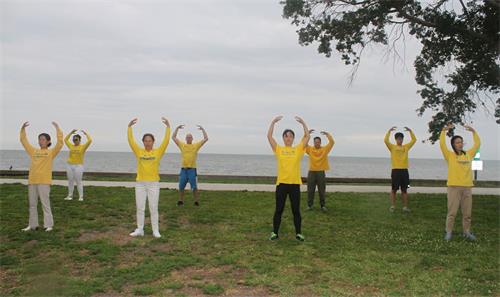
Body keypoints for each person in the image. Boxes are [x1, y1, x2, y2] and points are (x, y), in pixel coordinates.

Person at [267, 116, 310, 241]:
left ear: (293, 138)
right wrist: (273, 122)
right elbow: (269, 137)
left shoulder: (298, 149)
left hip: (294, 184)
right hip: (282, 184)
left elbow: (307, 137)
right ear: (283, 138)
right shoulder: (279, 149)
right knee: (279, 210)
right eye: (286, 136)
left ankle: (298, 233)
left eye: (291, 136)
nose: (288, 138)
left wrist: (303, 123)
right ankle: (274, 233)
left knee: (296, 210)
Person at [128, 117, 170, 238]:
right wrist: (129, 128)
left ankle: (155, 230)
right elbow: (131, 141)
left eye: (150, 140)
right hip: (140, 183)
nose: (147, 142)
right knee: (140, 207)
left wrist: (168, 127)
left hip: (153, 184)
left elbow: (166, 141)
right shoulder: (139, 151)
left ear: (153, 142)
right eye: (145, 140)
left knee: (153, 207)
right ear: (143, 142)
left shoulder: (158, 152)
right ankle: (140, 229)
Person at [20, 121, 63, 232]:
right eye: (40, 139)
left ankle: (48, 225)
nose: (41, 141)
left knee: (45, 204)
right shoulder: (33, 151)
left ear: (48, 141)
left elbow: (60, 143)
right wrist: (22, 129)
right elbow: (24, 141)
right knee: (32, 204)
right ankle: (32, 225)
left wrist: (57, 128)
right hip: (32, 180)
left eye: (43, 139)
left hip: (44, 181)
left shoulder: (51, 152)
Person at [440, 124, 480, 241]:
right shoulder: (450, 155)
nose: (460, 144)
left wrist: (474, 132)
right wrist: (444, 131)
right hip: (453, 187)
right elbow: (442, 144)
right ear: (453, 144)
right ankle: (448, 232)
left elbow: (477, 144)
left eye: (461, 142)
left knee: (467, 213)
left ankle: (466, 232)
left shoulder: (469, 154)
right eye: (457, 142)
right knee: (452, 212)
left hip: (467, 187)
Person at [172, 124, 208, 206]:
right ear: (185, 139)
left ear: (192, 139)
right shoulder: (182, 145)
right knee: (181, 187)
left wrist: (203, 129)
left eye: (190, 137)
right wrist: (177, 128)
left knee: (194, 187)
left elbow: (206, 139)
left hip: (192, 170)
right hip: (183, 170)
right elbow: (173, 137)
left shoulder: (195, 146)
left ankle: (196, 201)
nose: (189, 138)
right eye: (187, 137)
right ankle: (180, 201)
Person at [384, 126, 416, 212]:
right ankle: (393, 206)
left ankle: (405, 207)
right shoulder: (392, 147)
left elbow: (414, 140)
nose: (400, 140)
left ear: (402, 139)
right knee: (394, 190)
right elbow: (386, 141)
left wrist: (410, 131)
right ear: (395, 140)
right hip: (395, 171)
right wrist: (389, 131)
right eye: (398, 139)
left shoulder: (406, 147)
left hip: (405, 171)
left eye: (401, 139)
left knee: (405, 190)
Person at [305, 130, 334, 211]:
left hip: (321, 172)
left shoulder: (325, 149)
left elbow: (332, 142)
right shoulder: (310, 149)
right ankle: (309, 205)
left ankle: (322, 206)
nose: (317, 143)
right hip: (311, 172)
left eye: (318, 142)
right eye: (315, 142)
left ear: (320, 143)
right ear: (313, 142)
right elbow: (303, 143)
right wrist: (306, 134)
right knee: (310, 190)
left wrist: (327, 134)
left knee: (322, 190)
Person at [64, 129, 92, 201]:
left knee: (78, 181)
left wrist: (86, 134)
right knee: (70, 181)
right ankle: (70, 196)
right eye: (73, 140)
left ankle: (81, 197)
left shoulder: (83, 147)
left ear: (79, 140)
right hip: (69, 165)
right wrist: (71, 132)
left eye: (76, 140)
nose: (75, 141)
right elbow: (65, 140)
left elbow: (90, 141)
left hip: (78, 166)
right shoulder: (71, 146)